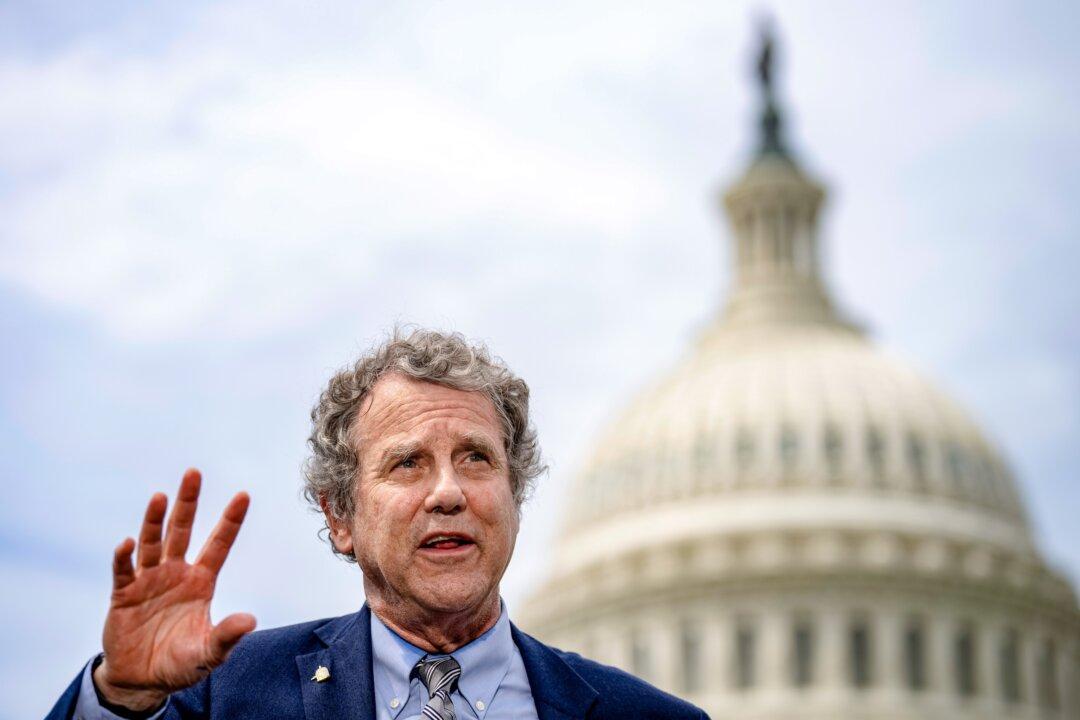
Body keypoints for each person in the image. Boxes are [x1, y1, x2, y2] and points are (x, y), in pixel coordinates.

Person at [47, 328, 709, 720]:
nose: (448, 492)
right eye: (408, 464)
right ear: (341, 517)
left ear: (514, 495)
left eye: (476, 459)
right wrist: (121, 697)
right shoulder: (221, 698)